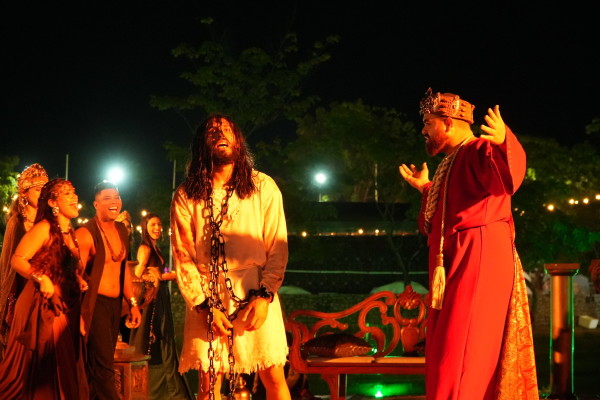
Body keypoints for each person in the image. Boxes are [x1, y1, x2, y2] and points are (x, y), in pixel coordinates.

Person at [399, 88, 538, 399]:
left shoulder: (478, 150)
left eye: (429, 123)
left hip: (478, 259)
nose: (423, 130)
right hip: (455, 264)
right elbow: (438, 221)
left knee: (464, 351)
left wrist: (503, 142)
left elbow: (507, 179)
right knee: (447, 352)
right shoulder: (451, 161)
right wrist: (426, 188)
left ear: (449, 123)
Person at [171, 113, 290, 400]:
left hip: (256, 292)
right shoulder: (186, 195)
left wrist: (265, 296)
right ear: (202, 143)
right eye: (212, 131)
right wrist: (204, 305)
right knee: (208, 383)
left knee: (273, 376)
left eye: (226, 129)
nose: (220, 134)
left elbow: (278, 247)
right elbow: (183, 257)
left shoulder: (263, 186)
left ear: (238, 141)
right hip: (207, 296)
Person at [0, 178, 89, 398]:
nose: (74, 197)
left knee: (63, 367)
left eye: (74, 192)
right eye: (66, 193)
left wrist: (78, 278)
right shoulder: (44, 227)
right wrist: (41, 278)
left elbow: (64, 266)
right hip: (41, 305)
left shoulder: (71, 232)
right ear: (52, 202)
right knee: (42, 371)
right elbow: (18, 260)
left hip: (64, 305)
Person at [76, 181, 142, 399]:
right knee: (103, 366)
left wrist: (133, 304)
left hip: (115, 306)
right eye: (107, 198)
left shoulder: (121, 230)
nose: (114, 202)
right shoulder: (86, 233)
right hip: (95, 305)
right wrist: (81, 314)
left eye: (117, 197)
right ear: (96, 204)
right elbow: (74, 275)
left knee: (101, 364)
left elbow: (124, 271)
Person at [129, 212, 194, 400]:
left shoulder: (154, 247)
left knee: (165, 339)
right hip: (152, 301)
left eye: (159, 224)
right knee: (152, 340)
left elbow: (156, 274)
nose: (157, 228)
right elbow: (137, 276)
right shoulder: (145, 248)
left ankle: (169, 389)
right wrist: (154, 276)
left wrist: (165, 276)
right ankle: (151, 390)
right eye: (153, 225)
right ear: (145, 227)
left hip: (161, 297)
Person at [0, 163, 48, 359]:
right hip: (21, 286)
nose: (42, 195)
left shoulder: (48, 220)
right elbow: (7, 262)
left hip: (46, 287)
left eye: (44, 190)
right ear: (24, 193)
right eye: (37, 190)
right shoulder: (16, 221)